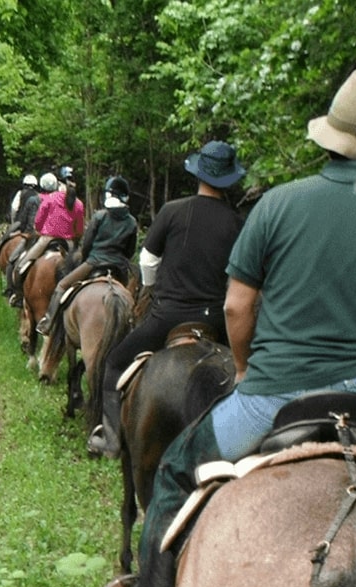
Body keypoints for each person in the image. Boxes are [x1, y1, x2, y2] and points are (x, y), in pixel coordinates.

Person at [98, 66, 356, 587]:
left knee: (178, 469)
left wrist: (247, 369)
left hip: (272, 393)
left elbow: (238, 308)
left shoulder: (279, 204)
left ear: (330, 133)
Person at [87, 141, 247, 457]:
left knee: (115, 362)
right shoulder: (237, 222)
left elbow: (147, 259)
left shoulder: (173, 210)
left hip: (169, 315)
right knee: (246, 372)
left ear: (197, 174)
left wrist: (150, 289)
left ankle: (111, 438)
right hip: (216, 318)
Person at [37, 175, 138, 335]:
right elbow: (130, 251)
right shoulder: (132, 222)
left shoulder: (100, 216)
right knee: (132, 297)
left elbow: (87, 243)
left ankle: (48, 322)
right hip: (119, 267)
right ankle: (132, 328)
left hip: (95, 261)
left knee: (62, 285)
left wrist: (84, 258)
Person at [9, 166, 86, 307]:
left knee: (21, 266)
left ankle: (18, 294)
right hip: (68, 243)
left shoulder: (51, 198)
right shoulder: (79, 204)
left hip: (47, 239)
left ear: (58, 182)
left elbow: (38, 222)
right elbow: (79, 230)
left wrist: (40, 230)